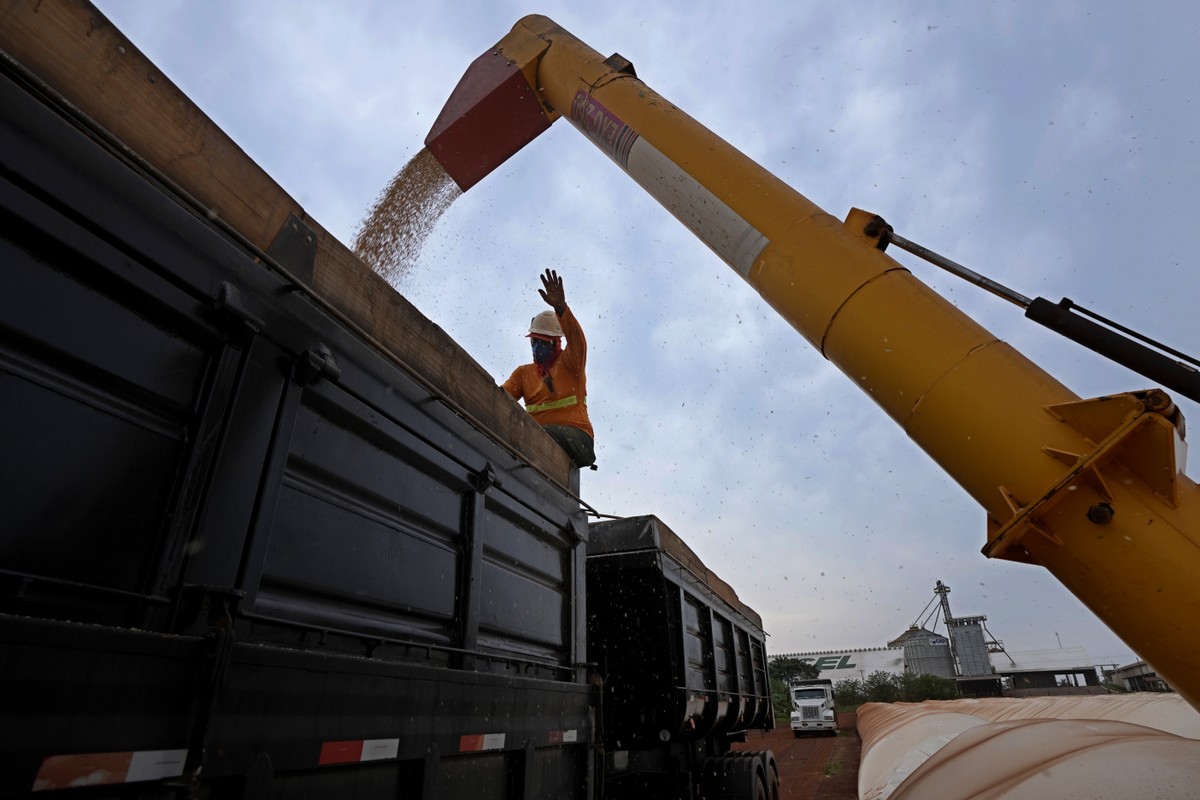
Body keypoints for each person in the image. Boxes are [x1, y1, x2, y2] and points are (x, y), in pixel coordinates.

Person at [502, 269, 596, 468]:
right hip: (538, 440)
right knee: (518, 429)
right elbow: (501, 397)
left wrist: (561, 307)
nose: (537, 347)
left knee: (529, 431)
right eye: (534, 341)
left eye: (543, 342)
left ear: (556, 343)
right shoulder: (523, 373)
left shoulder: (571, 362)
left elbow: (577, 340)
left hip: (579, 439)